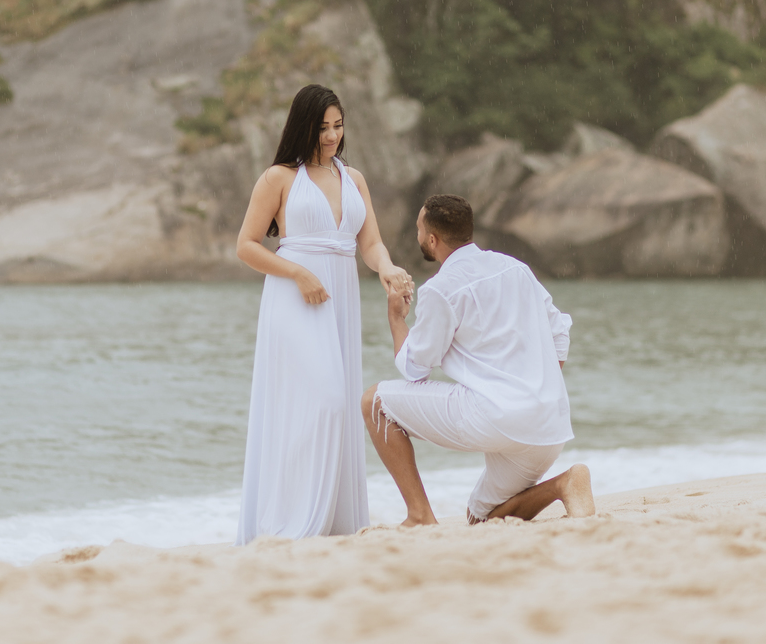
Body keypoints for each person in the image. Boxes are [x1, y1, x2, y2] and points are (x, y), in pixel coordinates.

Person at [235, 84, 413, 544]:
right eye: (323, 127)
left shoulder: (353, 179)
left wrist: (388, 269)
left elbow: (370, 244)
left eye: (338, 126)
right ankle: (291, 522)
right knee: (324, 401)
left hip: (340, 299)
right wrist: (297, 272)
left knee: (335, 405)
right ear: (304, 127)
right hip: (293, 299)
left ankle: (329, 521)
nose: (333, 136)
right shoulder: (278, 178)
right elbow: (246, 246)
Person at [362, 194, 596, 526]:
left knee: (374, 402)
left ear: (432, 239)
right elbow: (560, 335)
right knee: (480, 517)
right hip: (549, 425)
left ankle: (419, 514)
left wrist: (397, 318)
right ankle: (564, 483)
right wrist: (533, 390)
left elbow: (415, 368)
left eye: (419, 230)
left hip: (496, 418)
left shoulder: (440, 289)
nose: (418, 236)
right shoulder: (516, 268)